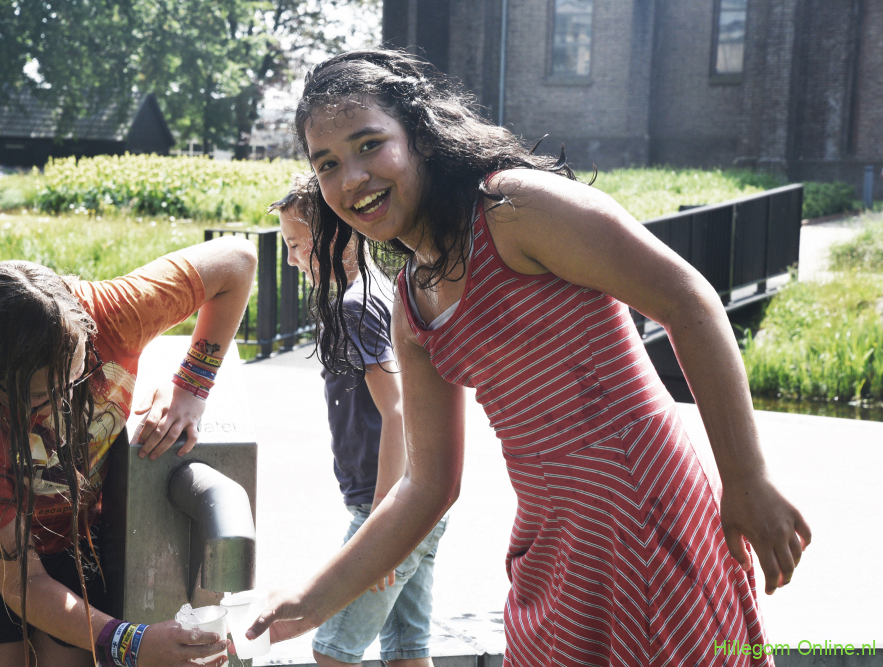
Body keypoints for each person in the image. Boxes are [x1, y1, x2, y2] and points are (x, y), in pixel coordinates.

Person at [246, 49, 813, 666]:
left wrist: (747, 478)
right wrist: (312, 598)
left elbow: (688, 302)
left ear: (420, 137)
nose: (352, 177)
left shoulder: (513, 209)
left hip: (642, 509)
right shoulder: (413, 305)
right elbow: (427, 486)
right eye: (327, 163)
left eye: (369, 144)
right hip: (551, 539)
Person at [0, 236, 257, 667]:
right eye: (37, 398)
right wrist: (134, 643)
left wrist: (193, 383)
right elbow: (22, 581)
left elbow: (237, 261)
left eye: (73, 380)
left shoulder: (116, 314)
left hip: (72, 525)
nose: (60, 406)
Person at [269, 177, 448, 667]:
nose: (291, 259)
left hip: (389, 505)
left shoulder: (355, 307)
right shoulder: (380, 291)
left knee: (332, 650)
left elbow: (397, 409)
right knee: (408, 652)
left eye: (296, 245)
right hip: (417, 502)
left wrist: (382, 524)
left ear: (337, 237)